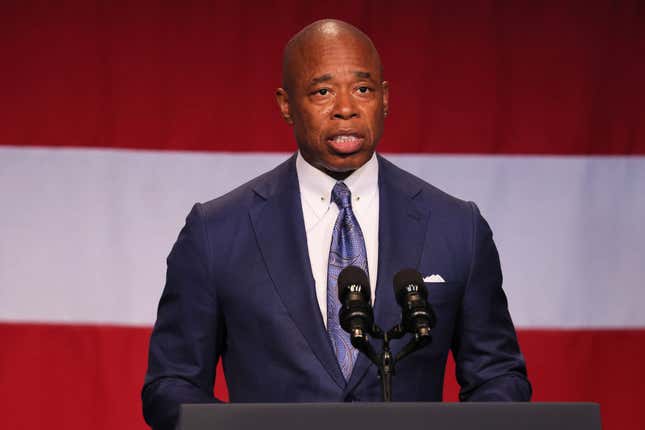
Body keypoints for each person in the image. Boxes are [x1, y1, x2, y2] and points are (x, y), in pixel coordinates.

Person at [142, 19, 531, 430]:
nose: (346, 108)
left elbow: (498, 376)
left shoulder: (456, 227)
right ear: (286, 105)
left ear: (384, 99)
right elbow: (171, 384)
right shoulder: (216, 231)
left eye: (363, 89)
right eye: (322, 92)